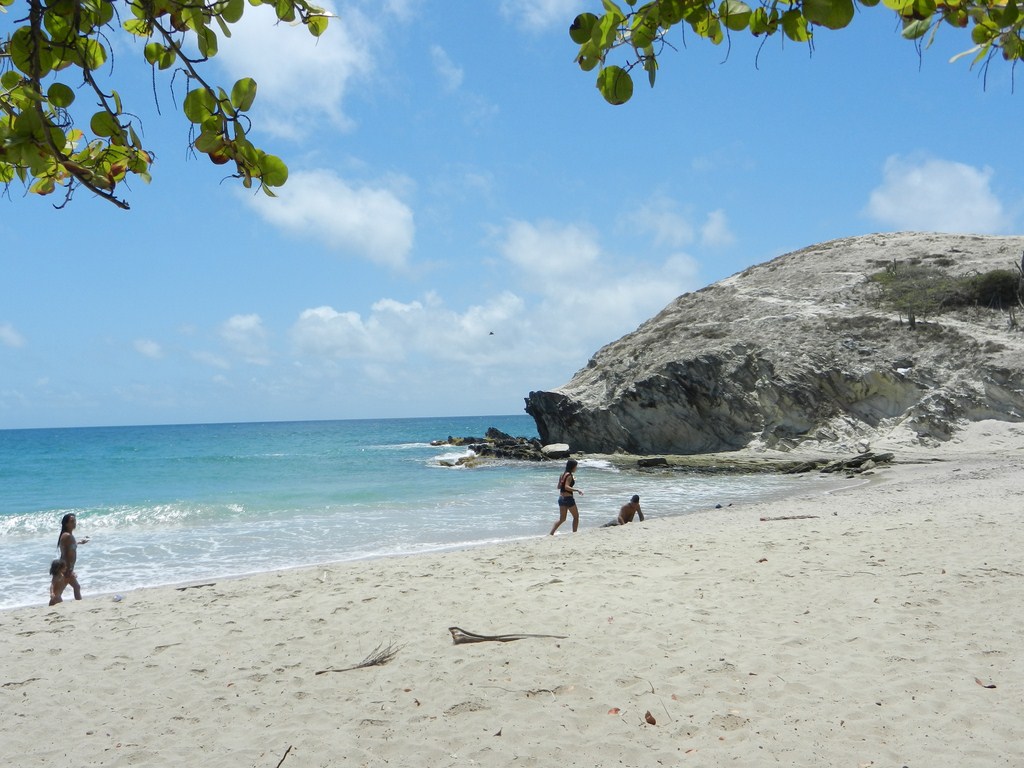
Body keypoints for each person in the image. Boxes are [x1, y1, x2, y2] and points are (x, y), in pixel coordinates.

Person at [56, 513, 87, 601]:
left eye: (75, 521)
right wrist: (68, 570)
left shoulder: (68, 535)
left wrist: (80, 542)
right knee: (59, 592)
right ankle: (79, 603)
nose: (74, 523)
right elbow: (65, 554)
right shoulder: (67, 536)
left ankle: (78, 603)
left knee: (72, 587)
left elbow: (69, 547)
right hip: (64, 568)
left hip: (65, 567)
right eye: (72, 521)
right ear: (66, 524)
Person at [550, 458, 583, 535]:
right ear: (572, 467)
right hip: (568, 499)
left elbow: (559, 487)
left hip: (561, 498)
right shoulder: (569, 476)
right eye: (576, 467)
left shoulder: (562, 474)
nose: (576, 468)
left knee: (562, 519)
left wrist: (571, 480)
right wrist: (577, 490)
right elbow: (566, 487)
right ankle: (574, 533)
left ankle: (551, 533)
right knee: (576, 517)